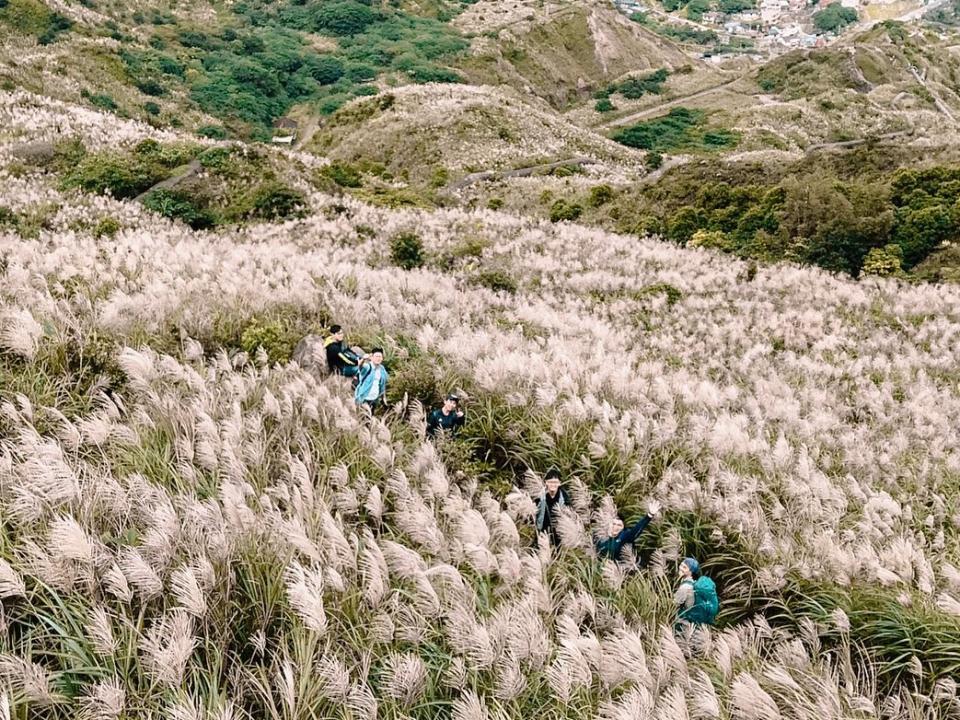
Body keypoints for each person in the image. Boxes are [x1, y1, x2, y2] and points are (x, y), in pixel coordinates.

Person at [674, 557, 719, 654]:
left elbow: (674, 603)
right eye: (681, 565)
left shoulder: (685, 587)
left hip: (684, 623)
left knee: (682, 649)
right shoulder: (693, 584)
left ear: (690, 572)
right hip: (695, 624)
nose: (681, 568)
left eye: (684, 567)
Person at [595, 500, 662, 560]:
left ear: (623, 527)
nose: (615, 527)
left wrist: (649, 516)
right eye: (614, 524)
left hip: (623, 569)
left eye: (619, 525)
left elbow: (635, 531)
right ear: (609, 524)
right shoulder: (601, 537)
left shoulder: (624, 536)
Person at [535, 469, 569, 546]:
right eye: (550, 482)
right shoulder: (540, 496)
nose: (552, 485)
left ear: (559, 483)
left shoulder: (564, 497)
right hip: (543, 530)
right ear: (546, 482)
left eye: (555, 482)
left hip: (558, 532)